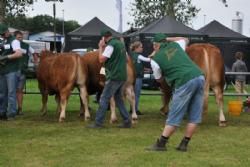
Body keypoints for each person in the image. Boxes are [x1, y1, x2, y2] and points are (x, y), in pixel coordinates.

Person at [146, 33, 205, 152]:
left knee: (174, 114)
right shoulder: (176, 45)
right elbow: (185, 39)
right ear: (165, 41)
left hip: (184, 81)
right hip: (199, 76)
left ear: (155, 45)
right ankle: (184, 144)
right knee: (194, 115)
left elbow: (159, 79)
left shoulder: (154, 60)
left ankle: (161, 144)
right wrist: (167, 39)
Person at [87, 29, 131, 128]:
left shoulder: (110, 45)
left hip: (113, 76)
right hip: (122, 76)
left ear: (104, 38)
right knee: (119, 99)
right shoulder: (121, 45)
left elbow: (101, 59)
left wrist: (100, 47)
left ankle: (98, 123)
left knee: (104, 98)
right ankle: (127, 121)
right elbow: (127, 60)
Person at [0, 23, 23, 121]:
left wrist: (5, 57)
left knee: (11, 93)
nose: (2, 35)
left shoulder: (14, 41)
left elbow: (19, 53)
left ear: (7, 31)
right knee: (1, 93)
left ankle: (11, 114)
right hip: (2, 70)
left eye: (3, 33)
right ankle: (2, 113)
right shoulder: (2, 41)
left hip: (12, 70)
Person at [15, 31, 38, 115]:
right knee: (11, 91)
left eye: (21, 37)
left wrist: (36, 62)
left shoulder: (27, 46)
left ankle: (20, 109)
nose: (20, 39)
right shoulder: (11, 45)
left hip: (22, 71)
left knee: (19, 90)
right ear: (15, 38)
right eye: (18, 37)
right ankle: (11, 109)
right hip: (12, 71)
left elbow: (34, 53)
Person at [129, 41, 151, 115]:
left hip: (132, 78)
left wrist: (144, 69)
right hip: (138, 77)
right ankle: (135, 109)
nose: (142, 48)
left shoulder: (131, 55)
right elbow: (148, 60)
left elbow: (136, 65)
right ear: (136, 48)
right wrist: (154, 54)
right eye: (141, 47)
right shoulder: (139, 56)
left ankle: (132, 108)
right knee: (136, 94)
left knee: (131, 93)